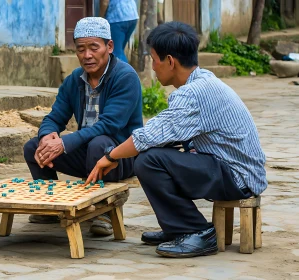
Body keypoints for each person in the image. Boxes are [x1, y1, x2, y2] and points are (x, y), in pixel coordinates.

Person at [86, 21, 267, 257]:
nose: (152, 67)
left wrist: (109, 157)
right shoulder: (203, 80)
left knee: (149, 160)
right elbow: (165, 131)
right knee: (158, 154)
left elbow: (149, 136)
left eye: (154, 60)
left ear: (170, 61)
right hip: (240, 172)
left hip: (238, 177)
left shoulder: (192, 94)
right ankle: (176, 228)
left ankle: (197, 232)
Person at [23, 17, 142, 236]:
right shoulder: (74, 80)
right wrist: (47, 136)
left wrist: (64, 143)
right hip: (88, 154)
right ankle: (51, 204)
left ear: (109, 46)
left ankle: (104, 209)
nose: (87, 55)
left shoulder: (126, 77)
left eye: (94, 48)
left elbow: (109, 125)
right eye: (81, 49)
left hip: (120, 157)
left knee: (100, 143)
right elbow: (54, 117)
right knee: (33, 147)